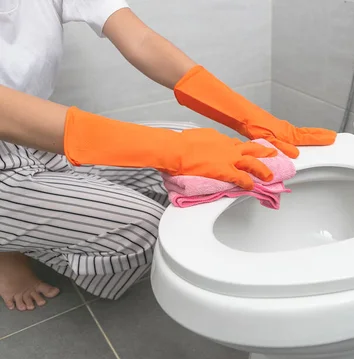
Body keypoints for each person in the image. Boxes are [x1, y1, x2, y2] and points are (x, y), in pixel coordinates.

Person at [0, 0, 336, 311]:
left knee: (199, 157)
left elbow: (141, 41)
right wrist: (172, 151)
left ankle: (40, 220)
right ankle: (11, 249)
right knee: (142, 228)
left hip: (42, 136)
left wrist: (250, 117)